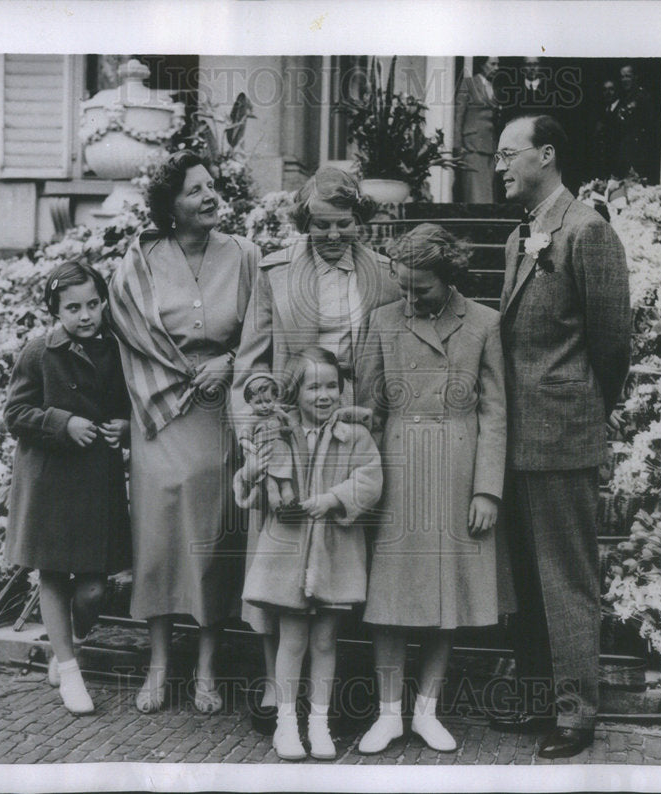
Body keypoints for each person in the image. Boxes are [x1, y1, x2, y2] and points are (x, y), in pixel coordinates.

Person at [232, 166, 398, 731]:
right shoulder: (276, 271)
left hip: (352, 429)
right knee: (281, 550)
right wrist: (261, 424)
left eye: (343, 224)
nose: (331, 235)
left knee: (341, 552)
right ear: (305, 223)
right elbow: (252, 361)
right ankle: (275, 694)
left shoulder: (385, 275)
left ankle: (330, 694)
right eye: (320, 225)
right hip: (291, 429)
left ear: (361, 223)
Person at [492, 115, 631, 758]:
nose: (498, 166)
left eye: (508, 154)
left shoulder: (588, 232)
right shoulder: (521, 235)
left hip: (563, 435)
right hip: (516, 439)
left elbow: (612, 344)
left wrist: (581, 409)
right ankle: (539, 700)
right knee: (525, 576)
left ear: (546, 155)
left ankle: (577, 714)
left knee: (566, 577)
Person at [107, 150, 261, 715]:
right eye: (197, 190)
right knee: (159, 543)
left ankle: (206, 669)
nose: (211, 196)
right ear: (170, 205)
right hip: (160, 415)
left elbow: (260, 331)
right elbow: (128, 331)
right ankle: (158, 664)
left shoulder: (244, 254)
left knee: (212, 542)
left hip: (220, 414)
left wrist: (230, 361)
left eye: (213, 186)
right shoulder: (142, 259)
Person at [356, 223, 514, 754]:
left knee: (448, 596)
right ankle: (386, 713)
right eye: (401, 285)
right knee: (391, 597)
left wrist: (487, 490)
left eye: (419, 287)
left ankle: (427, 709)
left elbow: (495, 414)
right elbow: (369, 409)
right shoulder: (381, 321)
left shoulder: (485, 324)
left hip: (456, 473)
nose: (408, 297)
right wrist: (361, 481)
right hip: (397, 473)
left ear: (448, 278)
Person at [237, 347, 383, 761]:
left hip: (334, 554)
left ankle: (319, 724)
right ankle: (287, 723)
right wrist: (251, 473)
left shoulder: (353, 435)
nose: (325, 395)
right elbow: (250, 477)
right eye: (314, 386)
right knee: (292, 640)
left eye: (332, 385)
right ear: (295, 392)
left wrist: (335, 499)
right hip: (288, 554)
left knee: (325, 641)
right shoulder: (277, 432)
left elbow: (370, 479)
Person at [3, 261, 131, 715]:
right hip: (51, 482)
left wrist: (124, 427)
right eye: (73, 307)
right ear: (55, 310)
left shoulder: (115, 351)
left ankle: (68, 646)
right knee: (54, 576)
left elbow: (125, 405)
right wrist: (63, 422)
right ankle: (71, 674)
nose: (85, 315)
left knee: (94, 589)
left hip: (97, 483)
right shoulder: (40, 352)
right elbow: (15, 415)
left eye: (93, 304)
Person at [238, 372, 297, 511]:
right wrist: (250, 446)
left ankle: (291, 507)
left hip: (282, 454)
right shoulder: (252, 420)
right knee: (271, 486)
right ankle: (278, 510)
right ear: (249, 402)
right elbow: (243, 437)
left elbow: (290, 420)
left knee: (286, 484)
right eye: (258, 402)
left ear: (275, 398)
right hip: (265, 455)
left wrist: (287, 429)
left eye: (268, 401)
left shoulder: (278, 413)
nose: (264, 406)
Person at [453, 56, 501, 203]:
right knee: (475, 194)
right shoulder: (469, 83)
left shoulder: (494, 87)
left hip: (489, 147)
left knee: (488, 194)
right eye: (492, 64)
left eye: (497, 64)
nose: (496, 68)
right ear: (482, 65)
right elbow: (459, 115)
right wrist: (457, 144)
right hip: (472, 147)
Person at [612, 64, 653, 179]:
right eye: (622, 77)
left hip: (638, 150)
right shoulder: (623, 99)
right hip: (624, 150)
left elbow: (648, 125)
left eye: (628, 76)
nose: (624, 80)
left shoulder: (642, 97)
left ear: (635, 77)